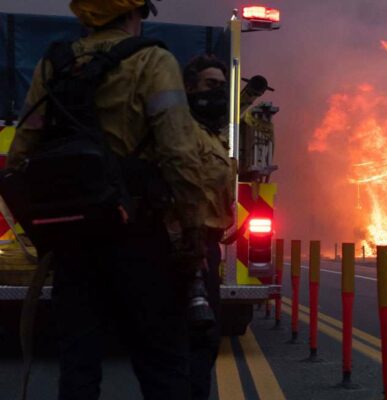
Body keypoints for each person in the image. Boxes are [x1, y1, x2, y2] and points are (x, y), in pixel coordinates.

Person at [8, 1, 211, 399]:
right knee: (161, 361)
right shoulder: (153, 61)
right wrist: (193, 227)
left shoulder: (54, 64)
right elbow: (179, 153)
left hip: (73, 242)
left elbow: (21, 152)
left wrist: (42, 225)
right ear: (134, 14)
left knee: (78, 362)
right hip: (138, 233)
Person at [181, 54, 235, 400]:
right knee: (194, 340)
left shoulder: (214, 136)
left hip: (208, 246)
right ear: (189, 88)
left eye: (221, 86)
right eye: (210, 85)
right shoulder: (181, 133)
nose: (218, 93)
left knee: (206, 338)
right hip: (186, 245)